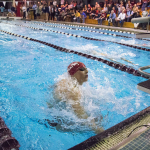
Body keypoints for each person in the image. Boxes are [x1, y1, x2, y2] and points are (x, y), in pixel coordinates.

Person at [53, 62, 103, 133]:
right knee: (98, 119)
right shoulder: (73, 91)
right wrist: (97, 129)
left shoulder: (64, 81)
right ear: (73, 73)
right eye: (82, 69)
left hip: (56, 112)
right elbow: (80, 114)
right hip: (59, 123)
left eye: (86, 69)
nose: (87, 71)